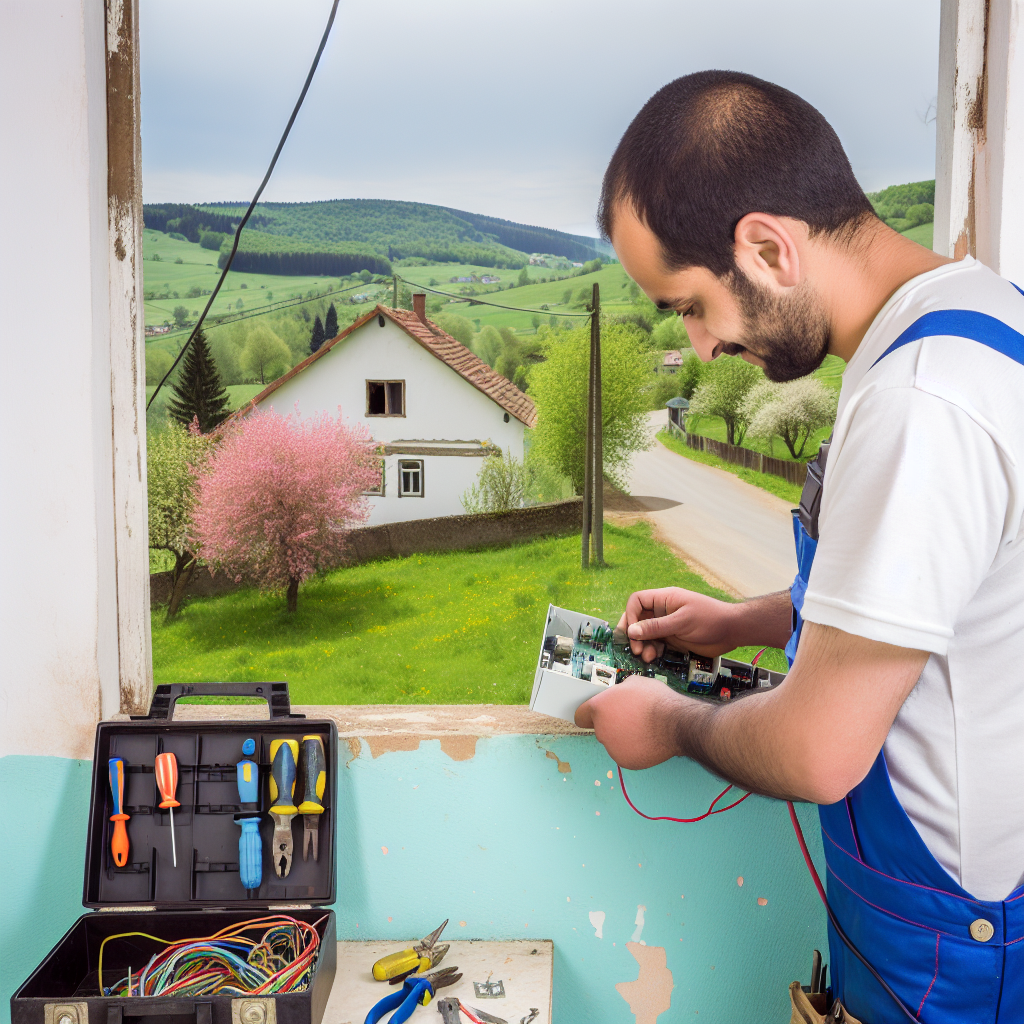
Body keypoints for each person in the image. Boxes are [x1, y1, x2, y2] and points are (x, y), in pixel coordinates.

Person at [578, 70, 1024, 1023]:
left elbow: (820, 752)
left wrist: (668, 724)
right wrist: (745, 620)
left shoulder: (920, 402)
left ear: (768, 249)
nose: (700, 345)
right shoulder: (984, 313)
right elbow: (944, 590)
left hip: (950, 952)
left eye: (691, 304)